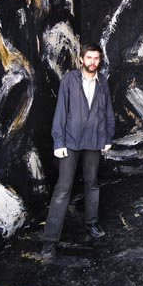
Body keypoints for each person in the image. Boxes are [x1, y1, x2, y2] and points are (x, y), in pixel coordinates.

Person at [41, 43, 115, 257]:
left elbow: (108, 111)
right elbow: (60, 111)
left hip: (94, 139)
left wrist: (108, 137)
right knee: (63, 188)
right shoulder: (69, 80)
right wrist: (58, 142)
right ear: (81, 59)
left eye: (96, 58)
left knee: (92, 183)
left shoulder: (103, 82)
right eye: (89, 58)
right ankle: (50, 240)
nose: (93, 62)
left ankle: (91, 223)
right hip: (70, 141)